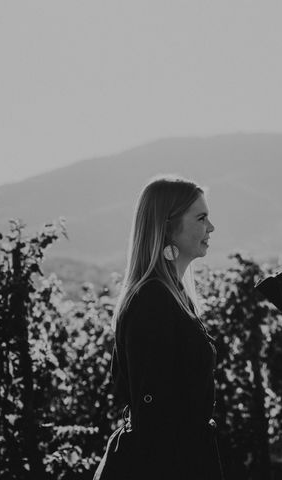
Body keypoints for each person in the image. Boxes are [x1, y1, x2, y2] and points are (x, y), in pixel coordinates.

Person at [105, 175, 221, 479]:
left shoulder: (174, 296)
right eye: (201, 217)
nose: (211, 227)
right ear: (168, 227)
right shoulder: (152, 301)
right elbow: (155, 417)